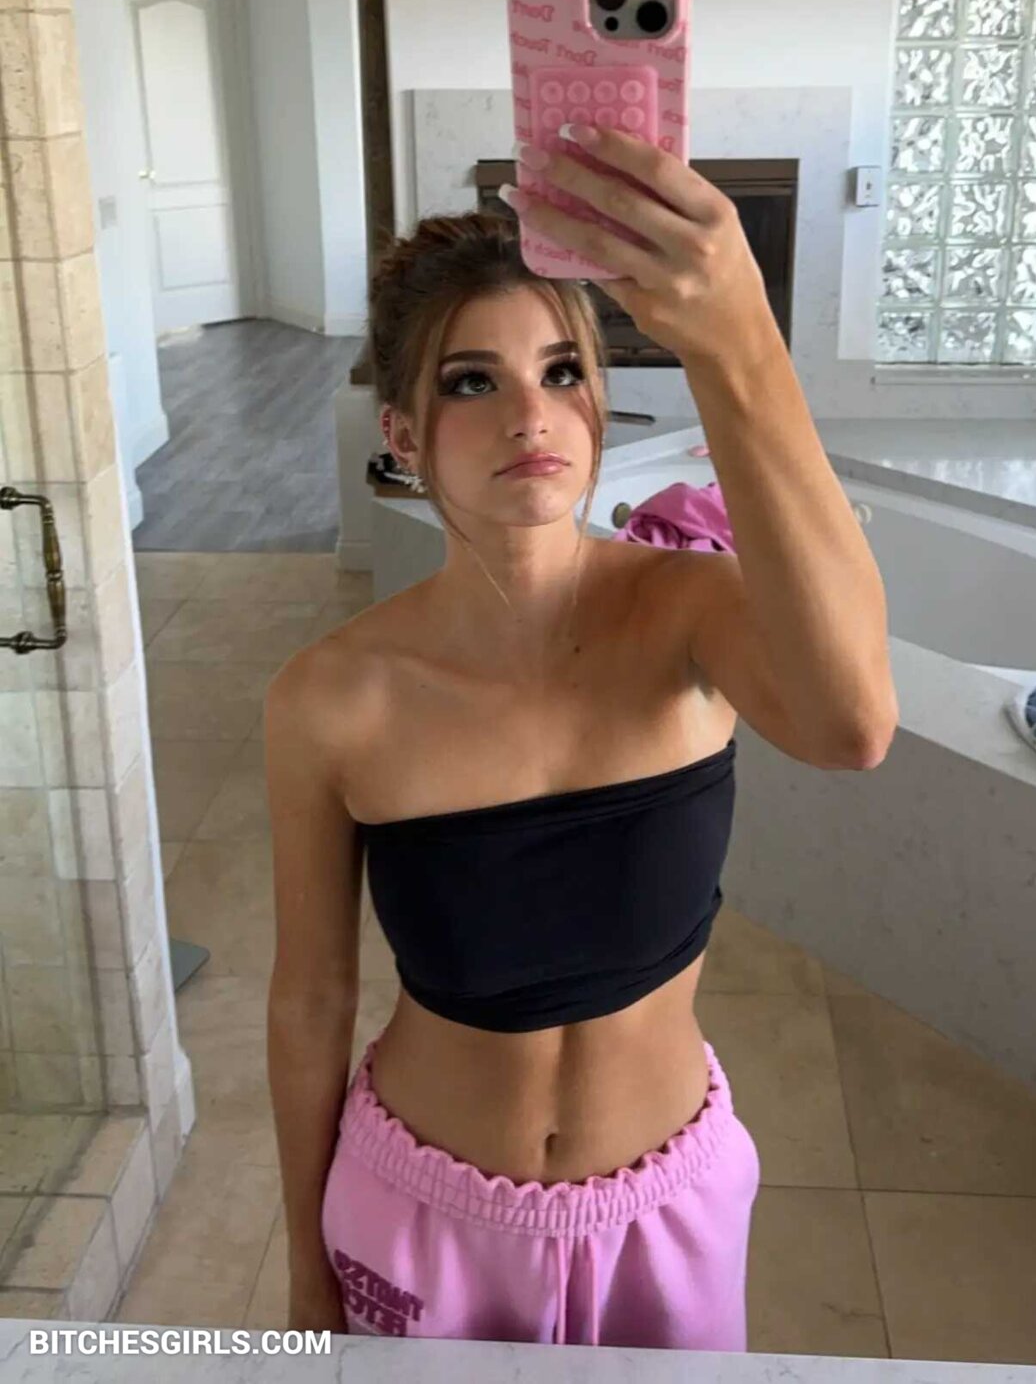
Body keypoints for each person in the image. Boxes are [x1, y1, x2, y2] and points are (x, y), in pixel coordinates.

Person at [264, 126, 897, 1348]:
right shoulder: (333, 698)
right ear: (402, 433)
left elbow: (852, 724)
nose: (529, 414)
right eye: (470, 382)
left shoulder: (692, 613)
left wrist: (735, 337)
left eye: (561, 371)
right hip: (419, 1215)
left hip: (665, 1215)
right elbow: (309, 1001)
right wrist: (303, 1262)